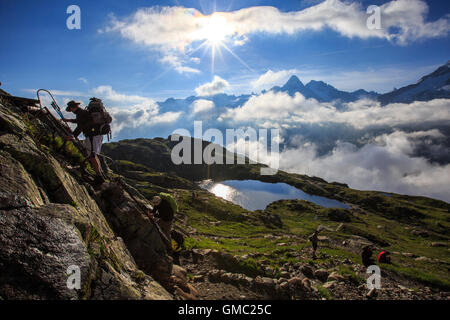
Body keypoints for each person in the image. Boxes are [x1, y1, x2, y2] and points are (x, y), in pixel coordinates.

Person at [63, 100, 105, 184]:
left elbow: (80, 126)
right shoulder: (82, 112)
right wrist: (69, 120)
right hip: (96, 134)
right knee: (93, 155)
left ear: (72, 107)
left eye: (70, 109)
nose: (71, 111)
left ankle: (99, 177)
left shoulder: (80, 113)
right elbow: (80, 121)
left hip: (92, 135)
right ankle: (100, 174)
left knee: (92, 155)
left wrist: (73, 135)